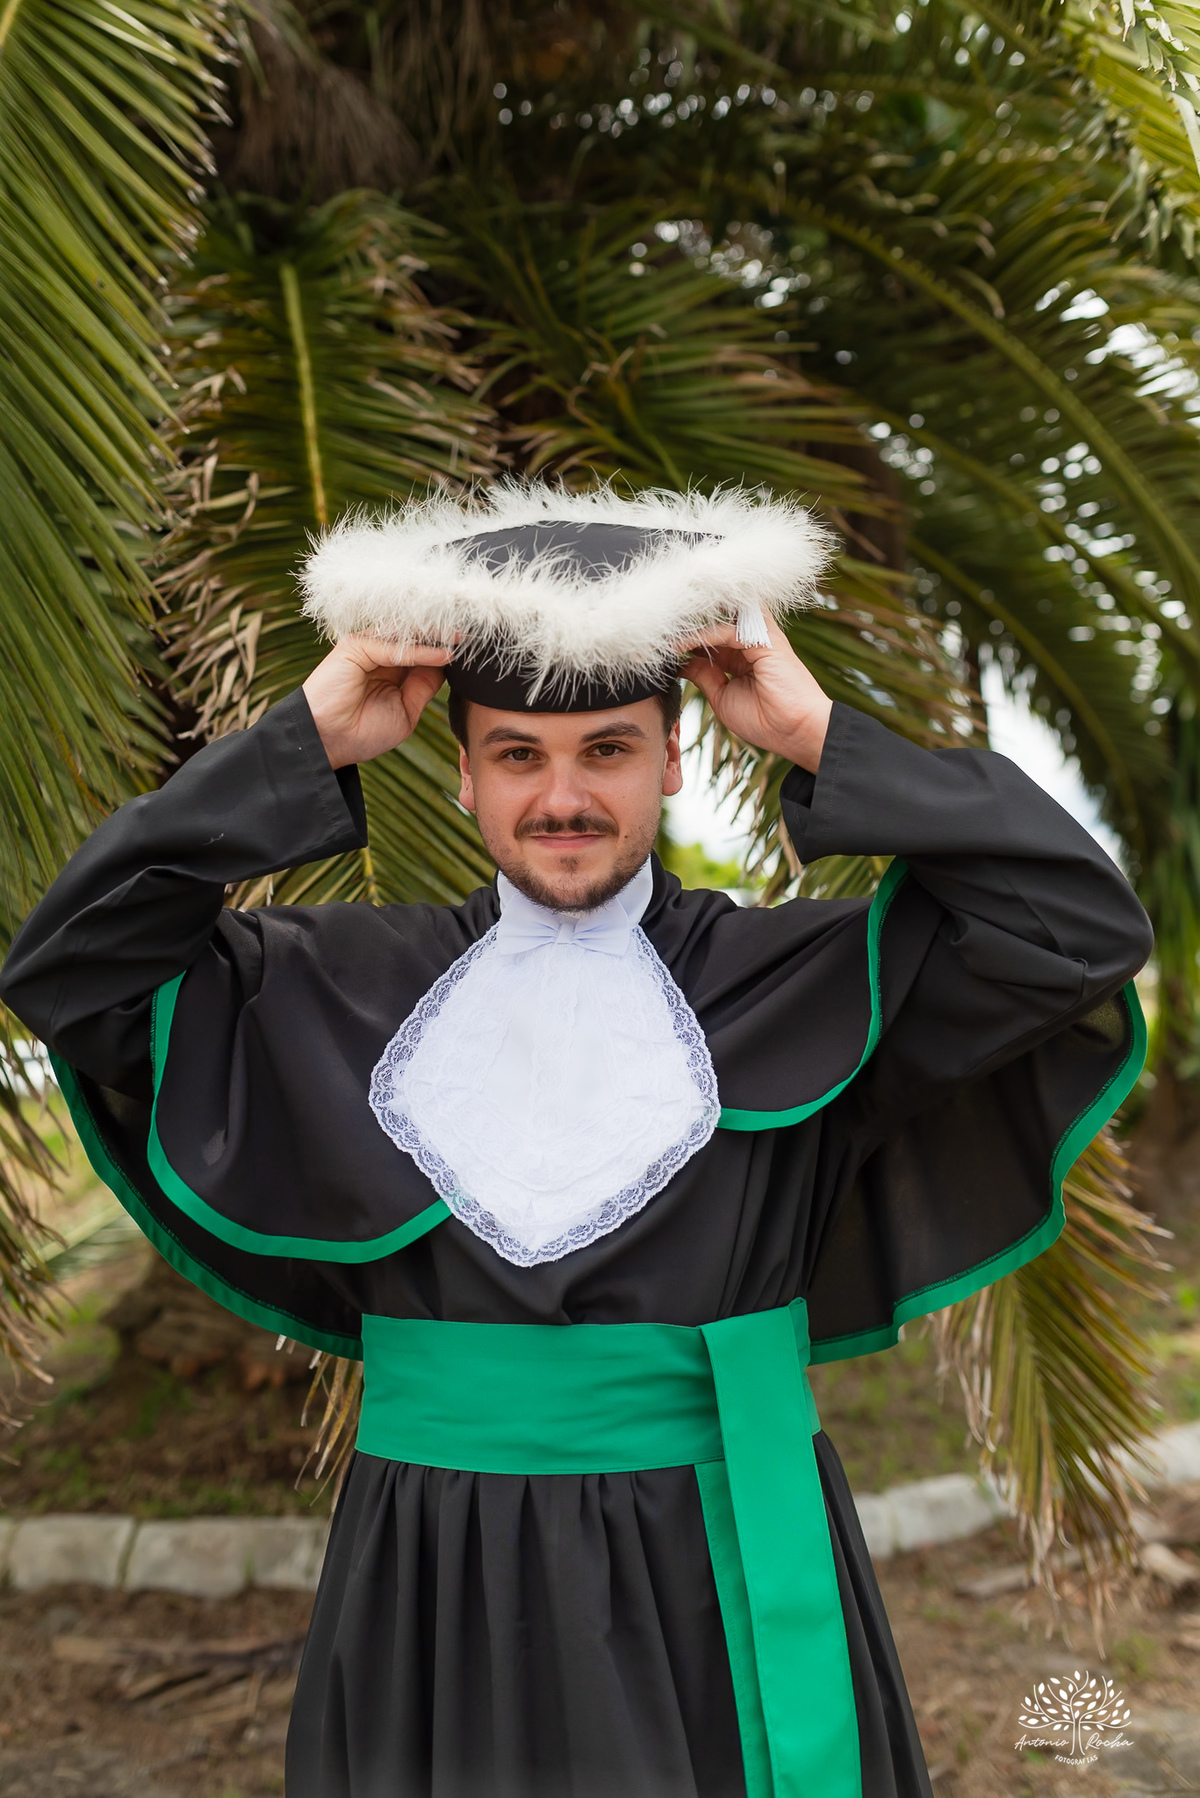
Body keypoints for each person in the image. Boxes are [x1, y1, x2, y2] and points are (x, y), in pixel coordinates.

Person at [1, 485, 1152, 1798]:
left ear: (673, 758)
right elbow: (73, 967)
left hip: (716, 1553)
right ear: (463, 767)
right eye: (519, 755)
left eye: (606, 750)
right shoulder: (327, 985)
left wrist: (813, 729)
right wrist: (310, 734)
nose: (562, 797)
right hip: (429, 1565)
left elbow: (1076, 929)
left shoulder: (799, 979)